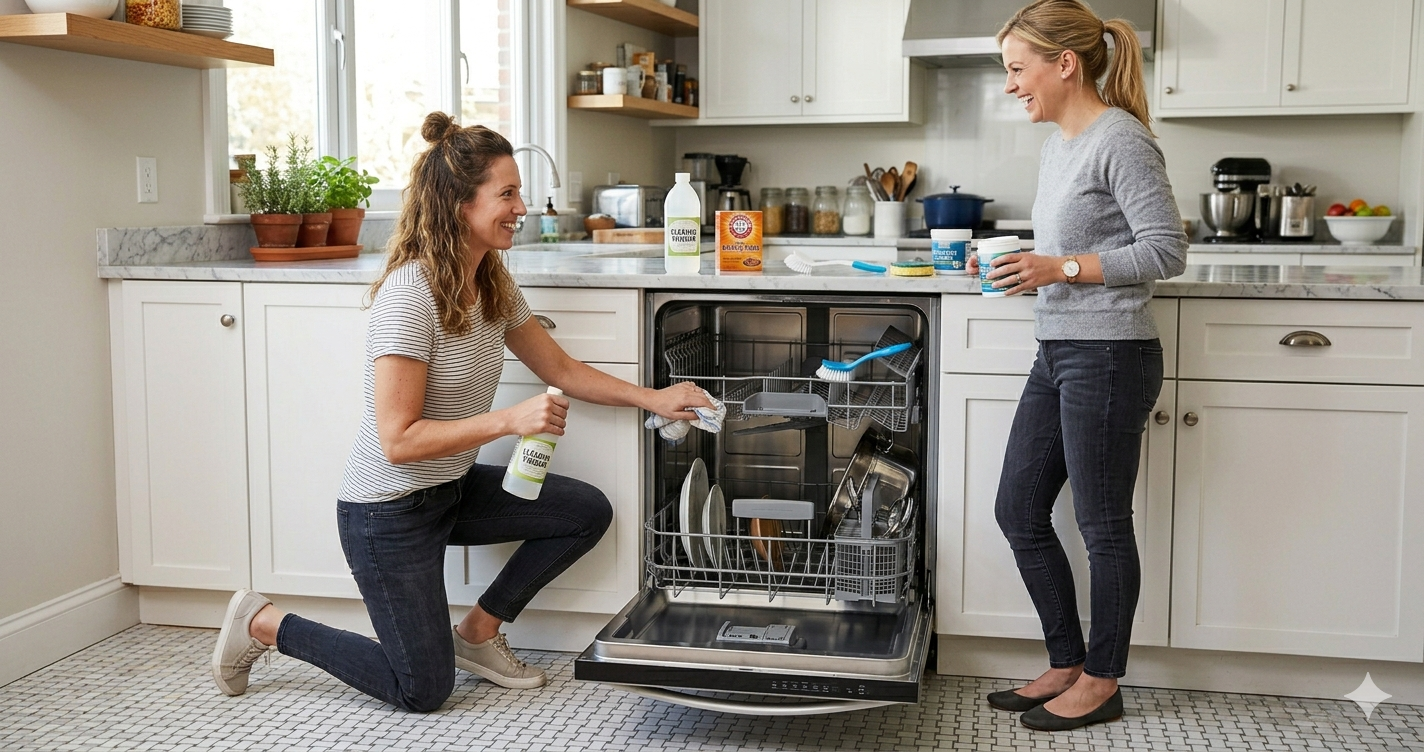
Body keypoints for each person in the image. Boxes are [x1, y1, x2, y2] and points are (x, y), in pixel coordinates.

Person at [209, 112, 712, 712]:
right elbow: (398, 441)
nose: (521, 206)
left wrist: (655, 397)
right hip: (386, 514)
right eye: (507, 193)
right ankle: (263, 622)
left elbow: (563, 371)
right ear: (457, 204)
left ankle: (476, 632)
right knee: (421, 689)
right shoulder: (410, 294)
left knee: (584, 512)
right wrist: (508, 421)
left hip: (448, 491)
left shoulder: (490, 280)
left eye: (518, 191)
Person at [967, 0, 1188, 732]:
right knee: (1019, 509)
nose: (1010, 86)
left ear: (1065, 64)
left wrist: (1056, 264)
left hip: (1111, 355)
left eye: (1017, 69)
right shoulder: (1061, 143)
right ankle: (1065, 660)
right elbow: (1076, 241)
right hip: (1059, 348)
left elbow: (1165, 250)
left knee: (1100, 523)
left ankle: (1103, 677)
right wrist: (1017, 260)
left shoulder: (1120, 140)